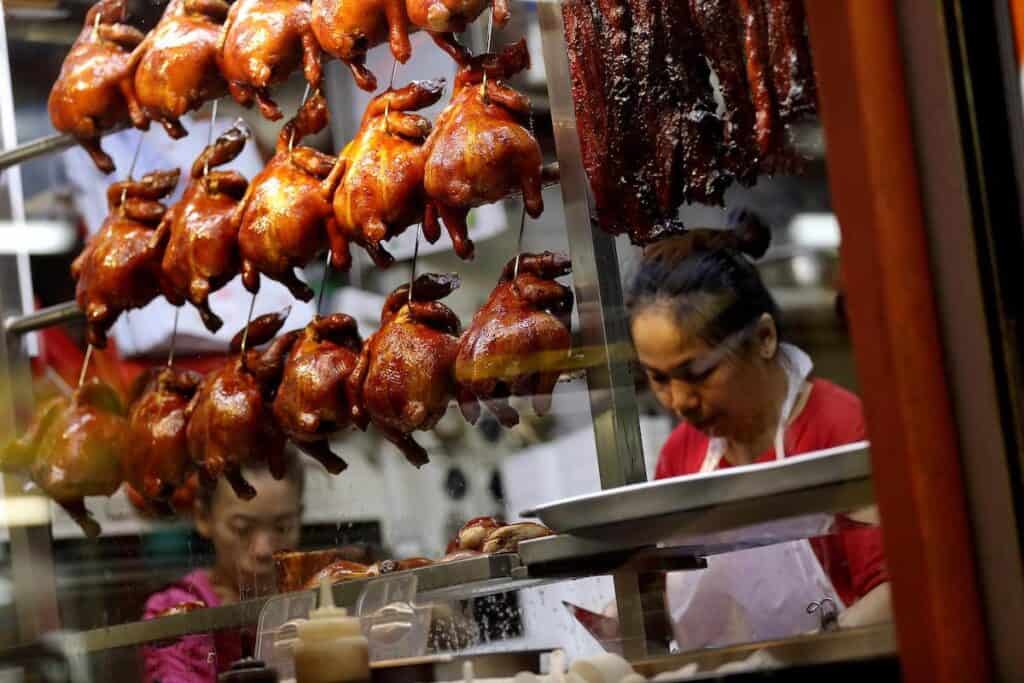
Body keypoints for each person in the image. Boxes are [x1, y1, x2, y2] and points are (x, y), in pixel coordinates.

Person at [627, 214, 891, 650]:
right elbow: (679, 605)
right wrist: (633, 618)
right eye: (658, 379)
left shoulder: (838, 427)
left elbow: (895, 592)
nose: (679, 402)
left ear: (764, 338)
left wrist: (800, 656)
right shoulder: (681, 453)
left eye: (696, 373)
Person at [142, 457, 305, 683]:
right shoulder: (178, 609)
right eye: (242, 529)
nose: (263, 550)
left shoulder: (317, 601)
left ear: (300, 518)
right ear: (203, 517)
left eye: (282, 528)